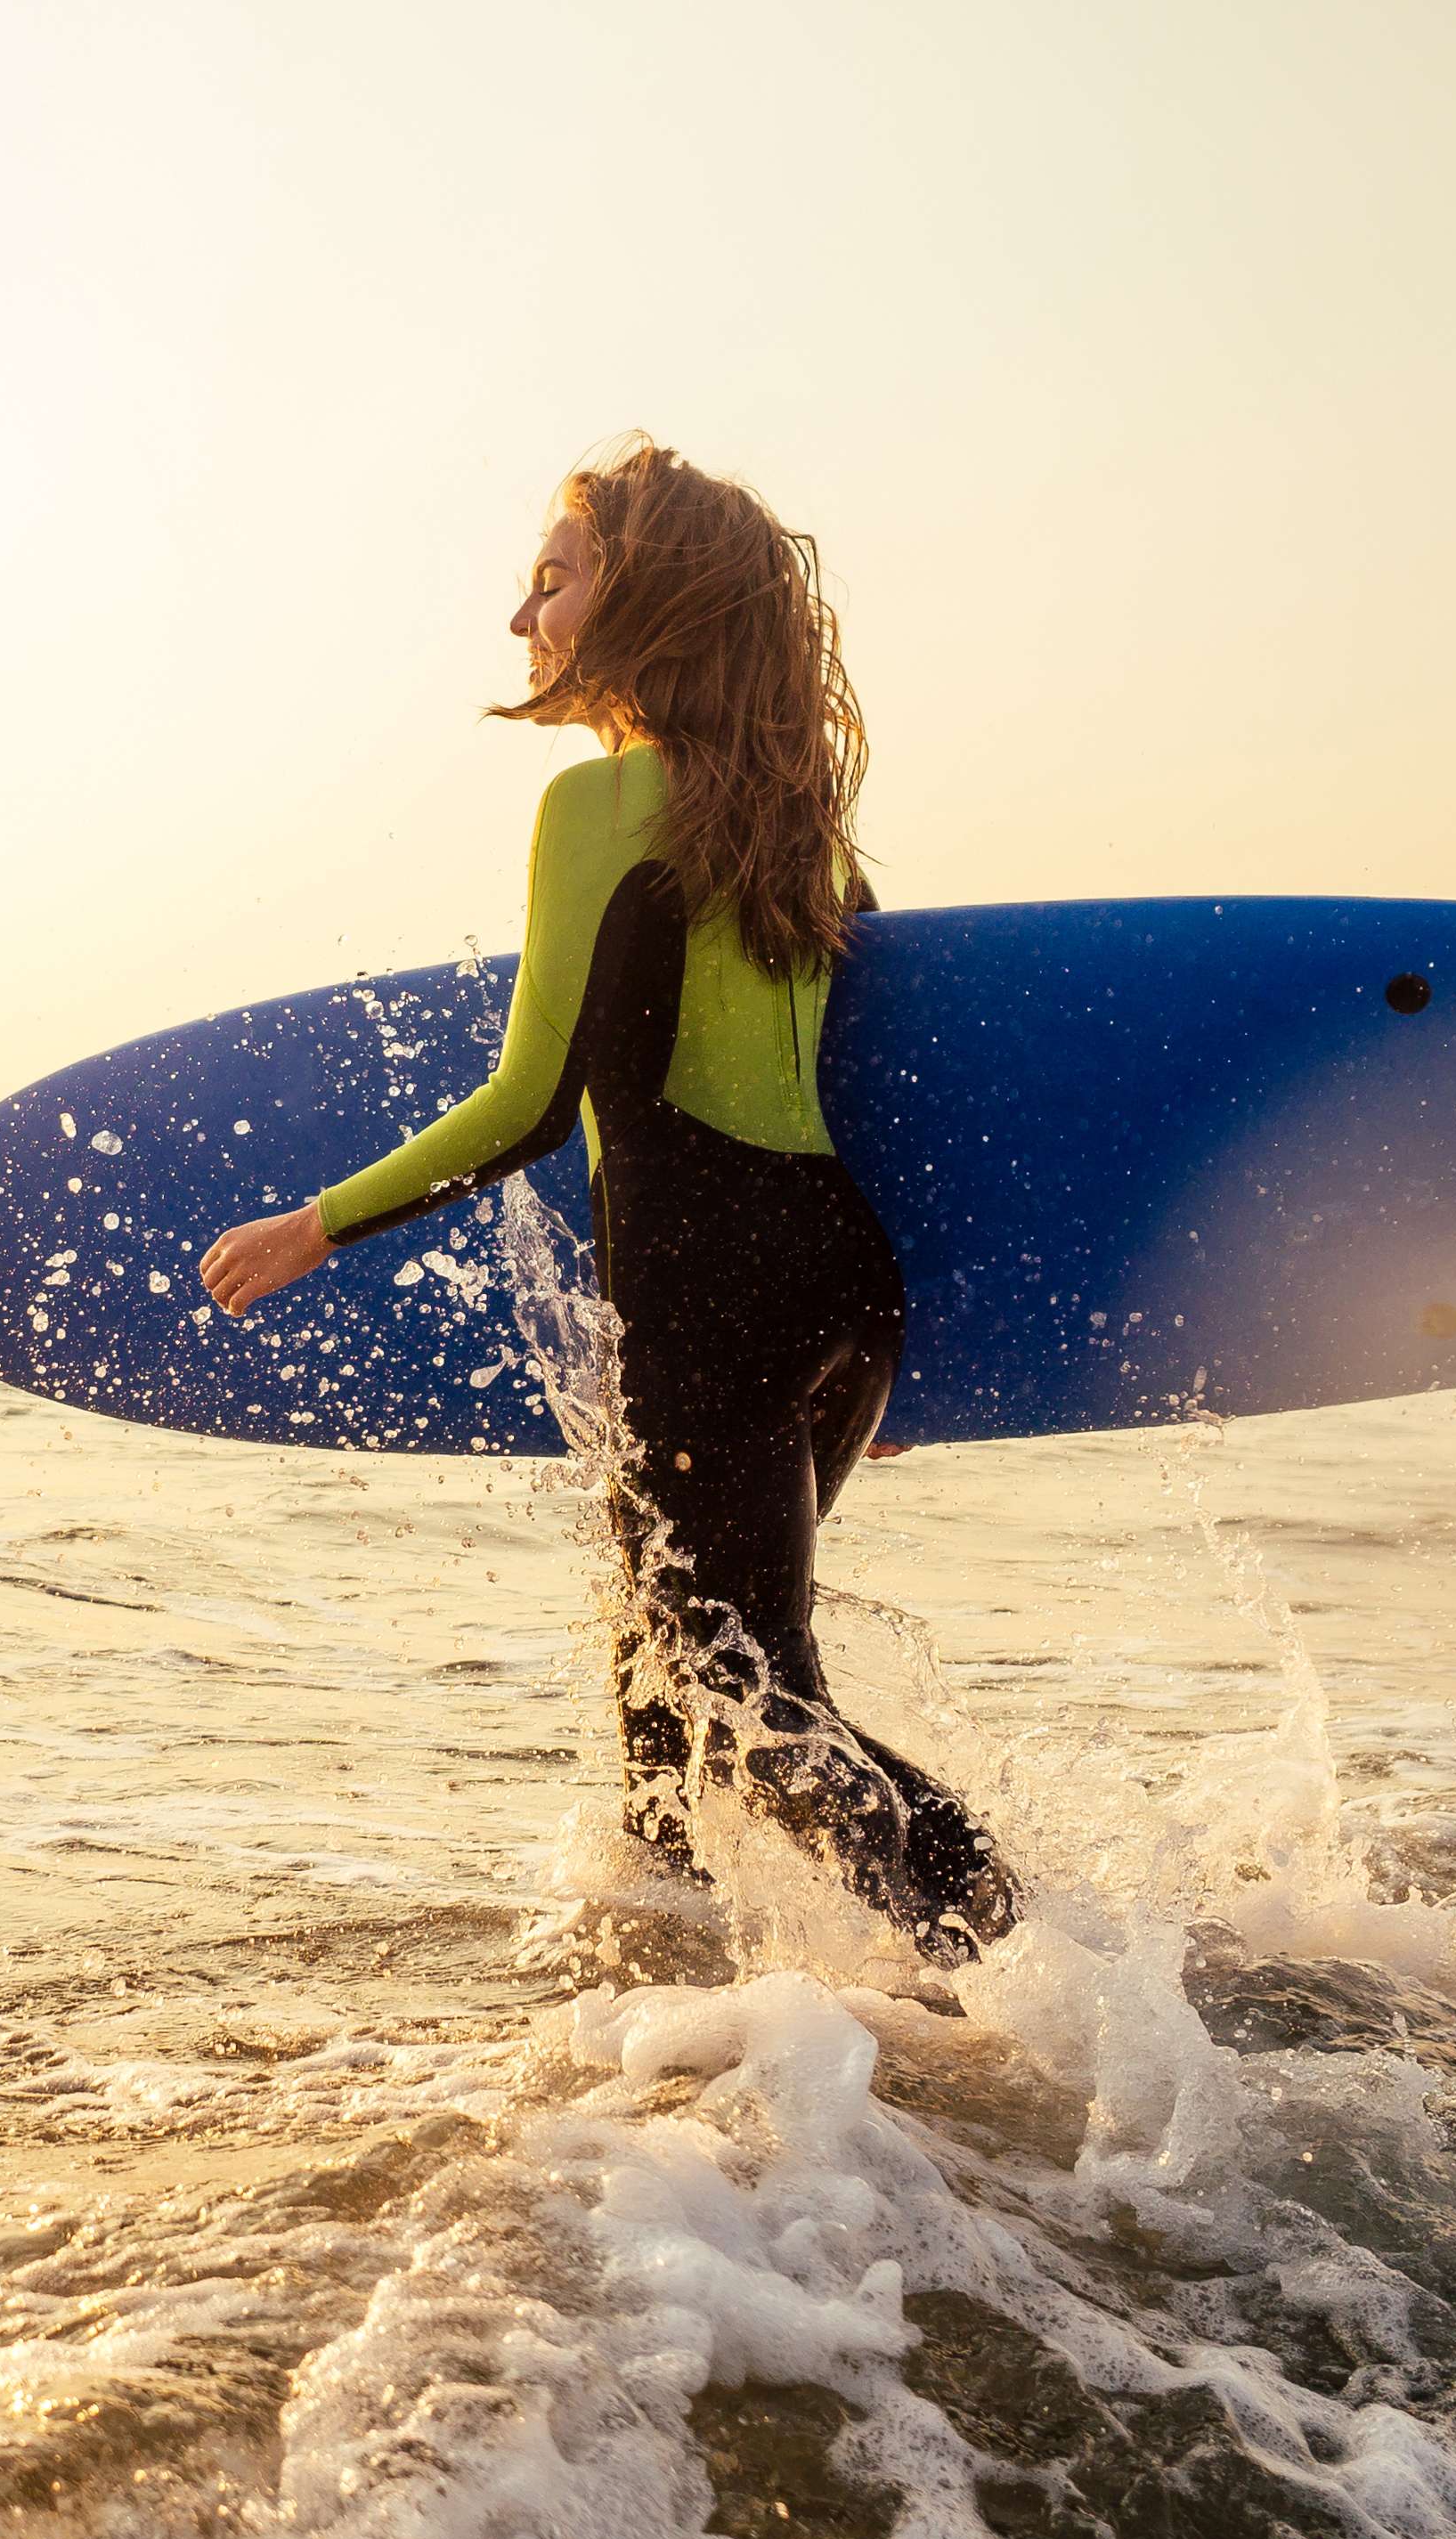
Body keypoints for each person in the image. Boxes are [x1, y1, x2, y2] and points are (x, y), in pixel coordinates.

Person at [197, 438, 1018, 1961]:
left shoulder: (600, 806)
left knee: (745, 1696)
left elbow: (527, 1104)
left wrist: (313, 1225)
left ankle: (1038, 1962)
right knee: (666, 1682)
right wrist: (876, 1366)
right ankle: (672, 2031)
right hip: (843, 1284)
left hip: (710, 1287)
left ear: (646, 598)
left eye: (555, 578)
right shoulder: (798, 822)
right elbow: (870, 1075)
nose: (525, 619)